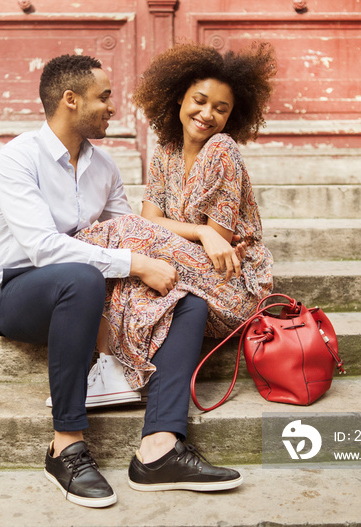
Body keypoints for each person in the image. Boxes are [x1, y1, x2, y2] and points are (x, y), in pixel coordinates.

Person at [0, 54, 243, 509]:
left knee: (189, 301)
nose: (113, 107)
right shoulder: (16, 158)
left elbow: (135, 229)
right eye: (104, 97)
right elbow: (44, 249)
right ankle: (64, 446)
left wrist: (192, 252)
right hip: (24, 290)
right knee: (81, 280)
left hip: (93, 289)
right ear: (71, 100)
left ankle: (159, 448)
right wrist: (137, 265)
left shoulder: (103, 166)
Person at [73, 41, 275, 418]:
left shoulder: (222, 149)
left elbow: (220, 248)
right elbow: (152, 220)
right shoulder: (166, 148)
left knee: (127, 236)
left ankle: (71, 253)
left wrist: (201, 235)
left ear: (233, 116)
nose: (207, 114)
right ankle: (113, 370)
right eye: (199, 100)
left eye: (221, 108)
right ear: (179, 97)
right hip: (189, 273)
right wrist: (199, 232)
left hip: (231, 286)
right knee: (134, 264)